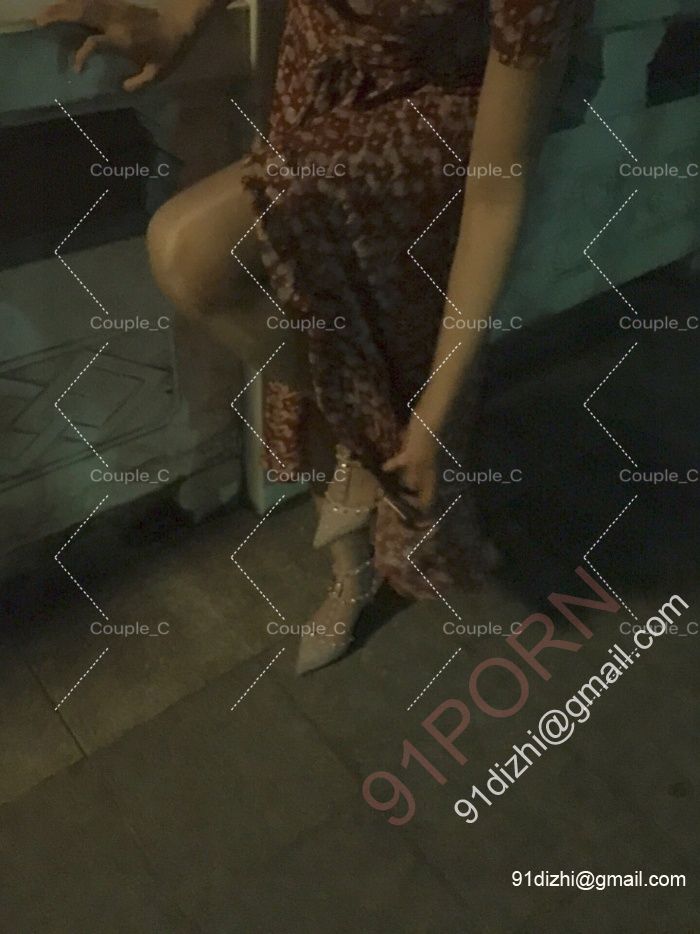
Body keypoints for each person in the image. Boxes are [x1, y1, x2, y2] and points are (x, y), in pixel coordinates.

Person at [38, 0, 585, 673]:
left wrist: (438, 412)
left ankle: (377, 494)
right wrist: (182, 17)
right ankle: (350, 575)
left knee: (198, 254)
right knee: (308, 342)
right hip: (318, 72)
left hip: (428, 113)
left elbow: (498, 194)